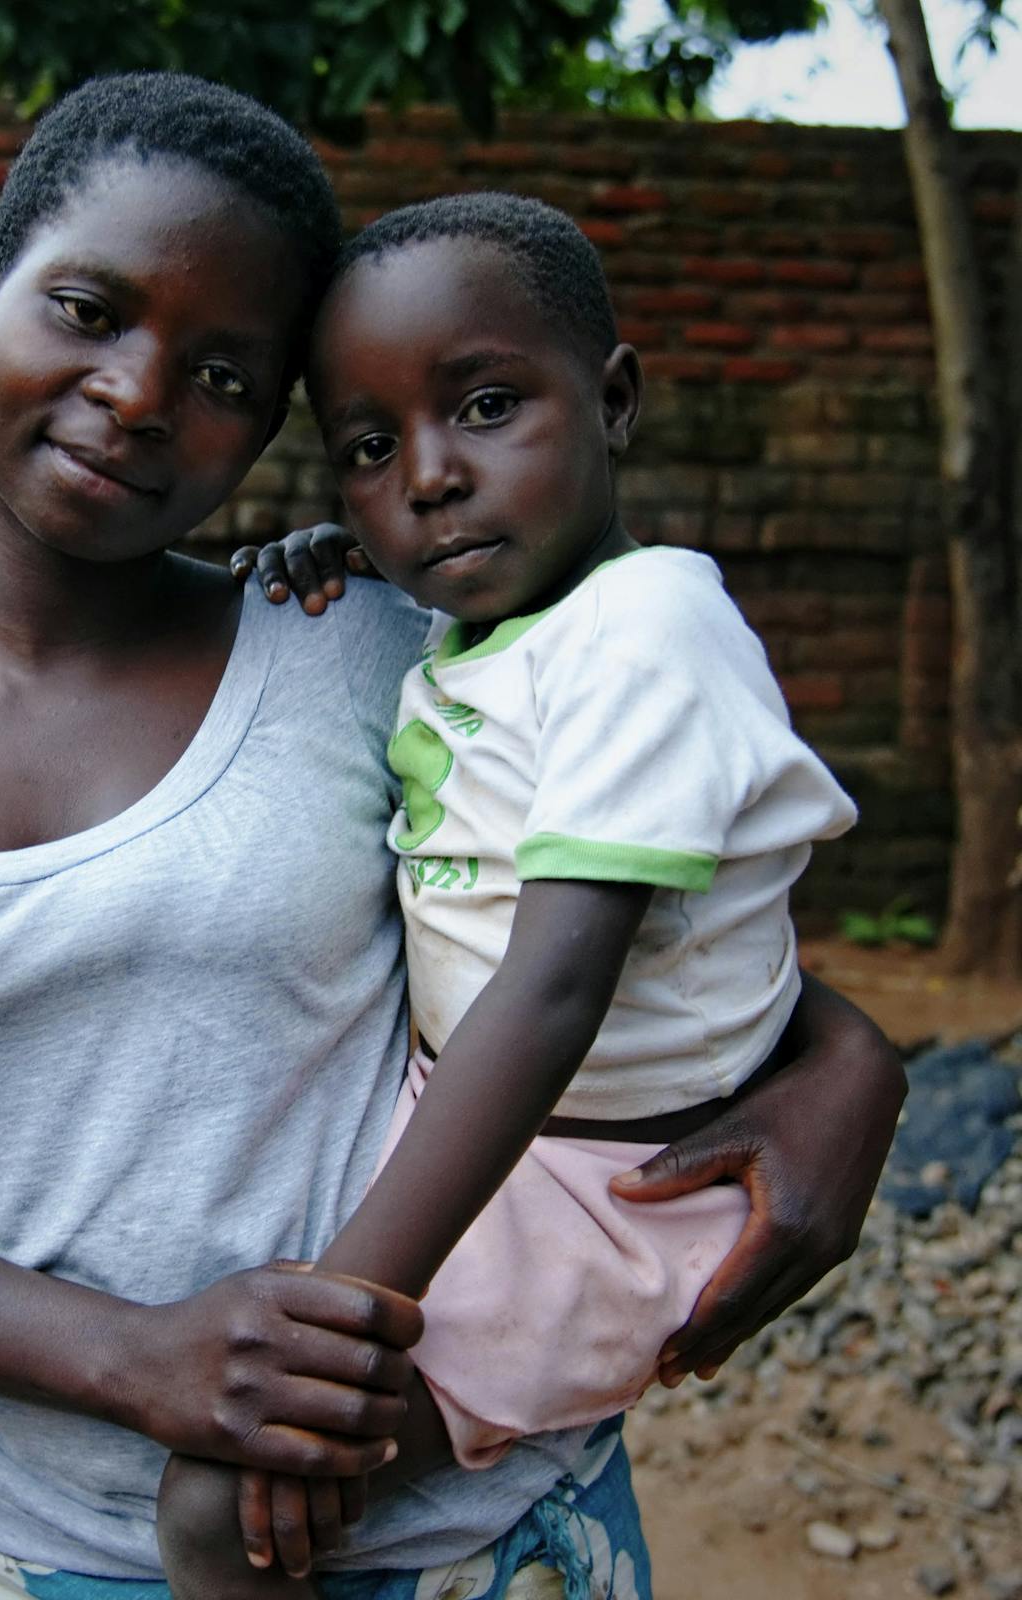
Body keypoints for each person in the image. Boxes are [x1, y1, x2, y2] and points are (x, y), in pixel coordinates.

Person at [0, 75, 905, 1600]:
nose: (135, 391)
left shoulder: (373, 647)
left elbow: (631, 912)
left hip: (472, 1545)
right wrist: (139, 1361)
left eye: (226, 377)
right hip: (45, 1550)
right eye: (86, 309)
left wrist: (850, 1063)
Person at [156, 190, 868, 1596]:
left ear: (613, 402)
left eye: (485, 407)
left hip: (603, 1186)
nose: (426, 477)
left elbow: (552, 990)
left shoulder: (646, 624)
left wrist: (351, 1304)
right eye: (370, 450)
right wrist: (337, 557)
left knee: (219, 1505)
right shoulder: (497, 625)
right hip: (497, 1134)